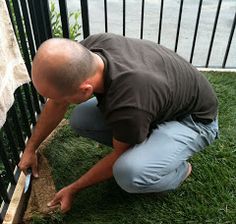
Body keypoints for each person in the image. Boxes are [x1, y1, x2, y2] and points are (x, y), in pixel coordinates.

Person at [19, 33, 219, 213]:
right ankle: (146, 137)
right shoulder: (89, 50)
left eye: (63, 99)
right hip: (158, 102)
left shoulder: (129, 103)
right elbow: (56, 103)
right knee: (81, 120)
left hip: (194, 121)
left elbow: (119, 154)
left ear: (86, 90)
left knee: (128, 173)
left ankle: (181, 170)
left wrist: (74, 188)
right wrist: (31, 148)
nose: (57, 103)